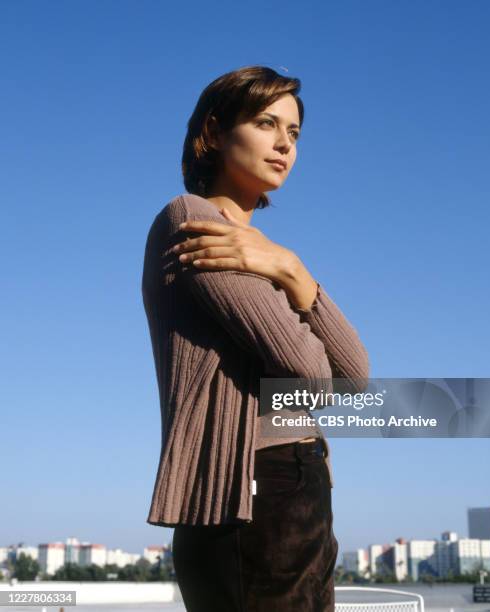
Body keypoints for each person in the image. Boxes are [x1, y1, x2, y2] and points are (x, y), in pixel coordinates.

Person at [141, 65, 370, 611]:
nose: (284, 145)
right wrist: (278, 271)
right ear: (214, 133)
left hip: (295, 484)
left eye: (293, 134)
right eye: (267, 123)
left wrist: (292, 269)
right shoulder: (193, 222)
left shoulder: (261, 252)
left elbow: (357, 376)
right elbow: (313, 377)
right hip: (250, 490)